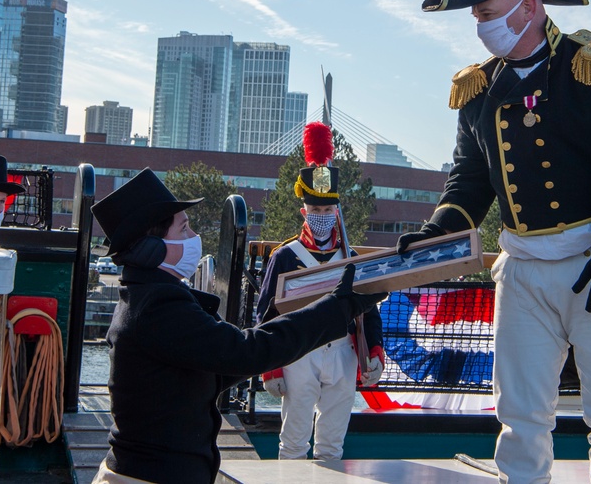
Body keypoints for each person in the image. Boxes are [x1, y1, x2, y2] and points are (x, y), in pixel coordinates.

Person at [398, 0, 591, 484]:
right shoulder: (479, 93)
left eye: (488, 13)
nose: (481, 26)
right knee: (519, 416)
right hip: (520, 269)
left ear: (529, 4)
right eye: (476, 16)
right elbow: (469, 182)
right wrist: (437, 232)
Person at [89, 168, 385, 484]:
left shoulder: (149, 298)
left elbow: (221, 366)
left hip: (154, 474)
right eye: (184, 229)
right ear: (152, 247)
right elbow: (247, 351)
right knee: (295, 441)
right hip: (148, 478)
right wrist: (337, 308)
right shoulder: (159, 307)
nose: (194, 238)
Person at [256, 122, 384, 460]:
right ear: (305, 211)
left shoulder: (351, 259)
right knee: (294, 443)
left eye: (328, 210)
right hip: (299, 351)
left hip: (342, 351)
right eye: (316, 210)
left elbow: (369, 312)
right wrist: (271, 368)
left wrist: (374, 352)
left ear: (337, 211)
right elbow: (266, 313)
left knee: (331, 446)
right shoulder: (285, 256)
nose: (322, 216)